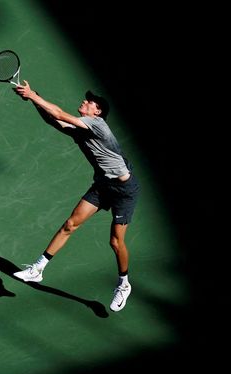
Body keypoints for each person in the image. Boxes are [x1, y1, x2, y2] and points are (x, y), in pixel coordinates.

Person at [11, 81, 139, 312]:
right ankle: (37, 269)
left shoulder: (98, 125)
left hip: (124, 190)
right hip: (102, 185)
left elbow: (59, 113)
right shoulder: (81, 130)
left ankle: (123, 284)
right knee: (70, 224)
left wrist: (33, 95)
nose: (85, 101)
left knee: (115, 241)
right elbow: (53, 119)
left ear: (97, 112)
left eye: (90, 102)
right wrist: (33, 97)